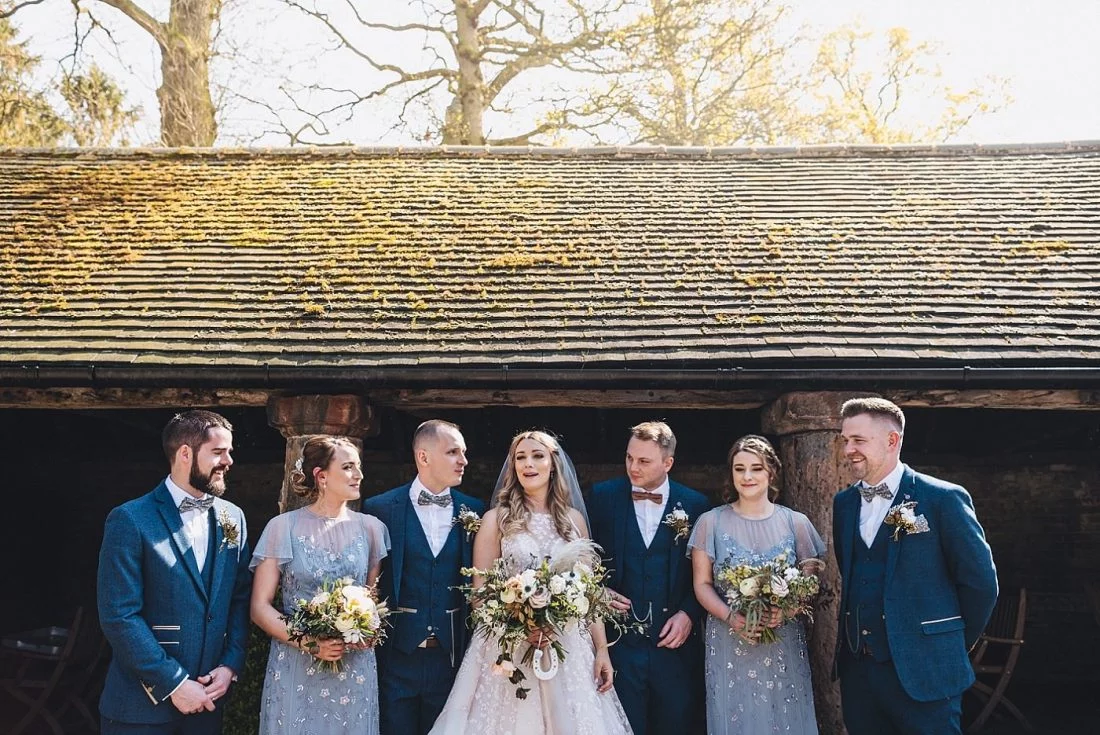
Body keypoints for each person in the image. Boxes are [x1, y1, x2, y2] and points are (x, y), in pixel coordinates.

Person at [429, 430, 632, 735]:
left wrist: (602, 649)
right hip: (510, 646)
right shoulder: (496, 520)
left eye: (537, 456)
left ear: (553, 464)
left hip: (568, 646)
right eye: (520, 457)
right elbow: (479, 596)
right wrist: (521, 622)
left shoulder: (573, 520)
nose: (528, 464)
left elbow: (588, 596)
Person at [834, 397, 998, 735]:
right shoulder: (844, 503)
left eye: (858, 440)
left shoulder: (942, 498)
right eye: (845, 440)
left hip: (928, 669)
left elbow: (981, 584)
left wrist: (945, 642)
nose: (848, 449)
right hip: (860, 672)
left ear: (892, 441)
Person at [97, 410, 252, 735]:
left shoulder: (232, 517)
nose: (229, 461)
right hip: (140, 708)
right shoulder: (130, 519)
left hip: (209, 704)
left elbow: (239, 598)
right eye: (218, 452)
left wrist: (230, 665)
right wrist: (175, 683)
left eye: (230, 451)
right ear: (185, 453)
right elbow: (119, 616)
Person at [249, 435, 390, 734]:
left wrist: (366, 631)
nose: (359, 475)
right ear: (321, 475)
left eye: (359, 467)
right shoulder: (281, 528)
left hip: (354, 667)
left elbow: (371, 600)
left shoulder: (372, 529)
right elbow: (260, 607)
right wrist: (310, 643)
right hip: (297, 662)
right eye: (349, 467)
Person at [688, 434, 824, 735]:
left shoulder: (796, 523)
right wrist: (730, 617)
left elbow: (811, 581)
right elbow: (702, 584)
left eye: (756, 468)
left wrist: (787, 612)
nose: (747, 476)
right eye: (739, 469)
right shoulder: (710, 522)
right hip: (729, 639)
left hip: (782, 640)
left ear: (771, 472)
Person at [361, 420, 484, 735]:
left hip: (451, 659)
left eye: (464, 452)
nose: (463, 461)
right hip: (395, 659)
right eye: (453, 452)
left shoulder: (475, 510)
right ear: (424, 457)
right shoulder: (380, 509)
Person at [588, 421, 709, 735]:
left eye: (644, 461)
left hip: (675, 649)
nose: (633, 467)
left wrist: (689, 614)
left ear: (668, 463)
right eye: (629, 458)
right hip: (619, 645)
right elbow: (581, 561)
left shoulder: (696, 506)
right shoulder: (602, 498)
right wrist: (597, 591)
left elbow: (708, 574)